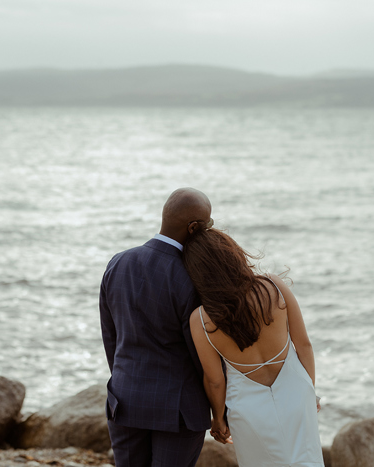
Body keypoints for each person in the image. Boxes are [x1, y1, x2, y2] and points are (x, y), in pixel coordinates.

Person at [183, 227, 323, 467]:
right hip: (297, 394)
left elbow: (215, 380)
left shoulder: (201, 319)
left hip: (247, 410)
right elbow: (304, 345)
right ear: (233, 255)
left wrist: (218, 419)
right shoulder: (273, 286)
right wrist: (309, 390)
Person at [99, 188, 213, 467]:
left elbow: (110, 335)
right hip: (178, 410)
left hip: (125, 399)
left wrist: (126, 379)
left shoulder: (118, 262)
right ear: (193, 228)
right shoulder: (191, 277)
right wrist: (219, 405)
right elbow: (201, 356)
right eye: (209, 225)